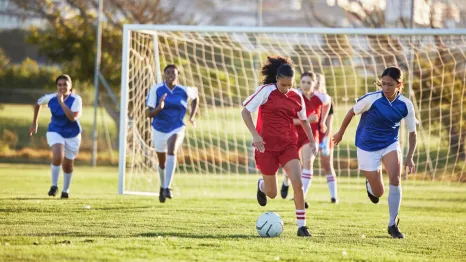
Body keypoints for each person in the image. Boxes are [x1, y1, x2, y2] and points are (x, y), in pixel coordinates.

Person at [333, 66, 417, 239]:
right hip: (366, 146)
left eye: (390, 84)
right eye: (383, 84)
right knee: (378, 192)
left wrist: (409, 157)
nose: (385, 88)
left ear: (399, 85)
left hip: (390, 144)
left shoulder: (406, 105)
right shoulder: (372, 99)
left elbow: (412, 133)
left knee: (395, 178)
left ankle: (392, 224)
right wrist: (340, 133)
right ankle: (370, 185)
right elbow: (351, 112)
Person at [241, 56, 317, 237]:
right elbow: (245, 112)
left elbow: (305, 121)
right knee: (272, 193)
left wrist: (312, 141)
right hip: (265, 147)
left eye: (289, 85)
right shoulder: (265, 91)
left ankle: (302, 226)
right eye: (283, 85)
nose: (286, 89)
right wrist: (255, 134)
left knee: (297, 183)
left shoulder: (296, 96)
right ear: (276, 80)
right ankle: (261, 186)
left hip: (288, 145)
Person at [146, 64, 199, 203]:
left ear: (177, 75)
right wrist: (159, 107)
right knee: (162, 163)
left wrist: (192, 116)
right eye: (168, 72)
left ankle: (167, 187)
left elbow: (196, 97)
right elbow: (148, 113)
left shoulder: (184, 90)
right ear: (164, 74)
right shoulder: (156, 89)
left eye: (173, 73)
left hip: (177, 127)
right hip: (159, 128)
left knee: (172, 149)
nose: (171, 74)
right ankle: (162, 186)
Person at [279, 71, 331, 209]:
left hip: (311, 135)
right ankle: (285, 181)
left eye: (309, 82)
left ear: (314, 84)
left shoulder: (321, 97)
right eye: (304, 82)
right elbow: (288, 120)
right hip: (293, 134)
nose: (306, 85)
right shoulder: (293, 95)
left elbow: (328, 102)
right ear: (299, 83)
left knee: (308, 162)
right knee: (291, 166)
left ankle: (302, 195)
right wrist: (307, 120)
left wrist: (322, 121)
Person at [30, 74, 82, 199]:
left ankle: (65, 190)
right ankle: (54, 186)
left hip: (72, 134)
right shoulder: (51, 98)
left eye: (65, 84)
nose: (62, 87)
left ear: (70, 86)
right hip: (55, 131)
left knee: (68, 164)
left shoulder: (76, 99)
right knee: (58, 154)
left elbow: (72, 117)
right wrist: (34, 123)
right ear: (57, 86)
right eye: (60, 84)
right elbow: (38, 104)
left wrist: (62, 102)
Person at [315, 73, 338, 203]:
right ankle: (300, 193)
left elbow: (329, 123)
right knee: (303, 164)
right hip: (310, 136)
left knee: (327, 165)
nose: (316, 84)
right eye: (315, 81)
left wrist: (325, 139)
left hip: (324, 136)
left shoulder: (327, 100)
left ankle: (334, 196)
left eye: (318, 82)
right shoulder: (306, 98)